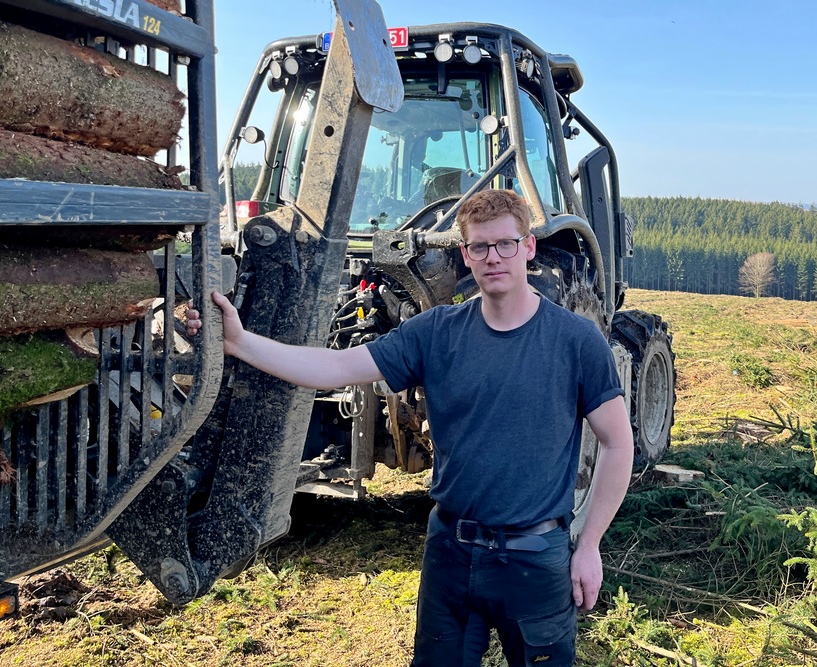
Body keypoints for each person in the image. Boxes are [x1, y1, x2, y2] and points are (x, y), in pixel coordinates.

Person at [186, 188, 635, 666]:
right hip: (451, 554)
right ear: (465, 254)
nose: (493, 257)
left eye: (506, 244)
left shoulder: (576, 340)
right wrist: (239, 342)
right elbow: (336, 369)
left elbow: (616, 443)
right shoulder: (438, 332)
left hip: (537, 555)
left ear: (528, 247)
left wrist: (589, 545)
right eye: (479, 247)